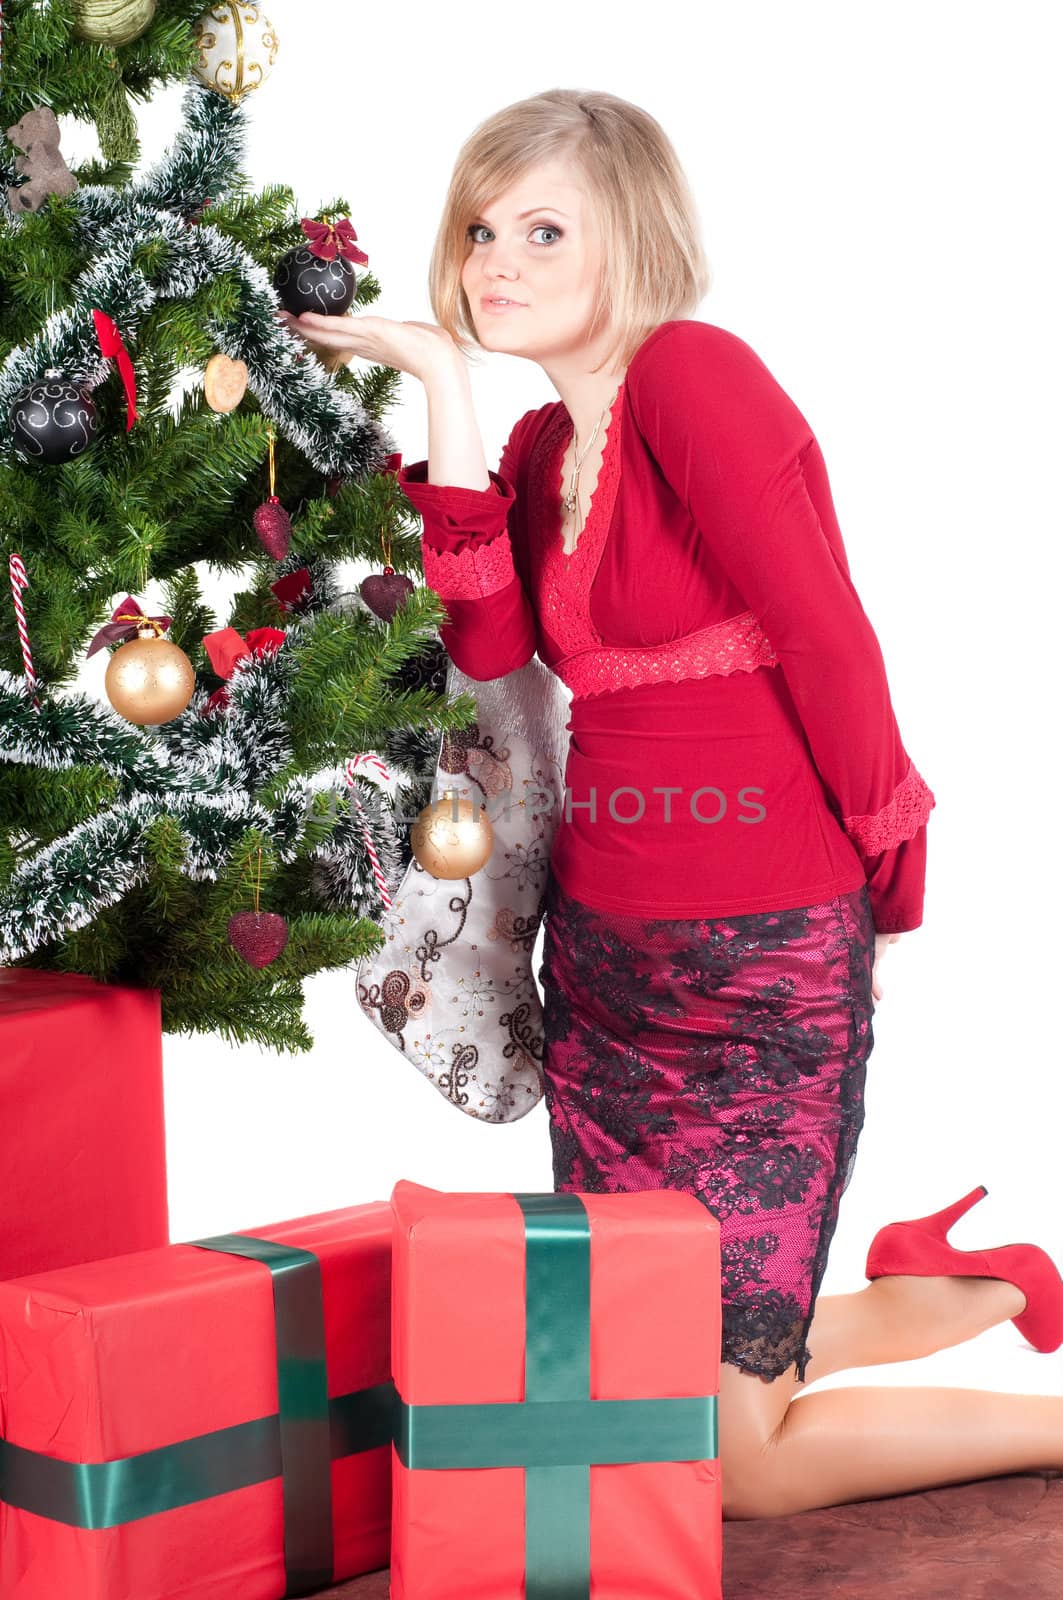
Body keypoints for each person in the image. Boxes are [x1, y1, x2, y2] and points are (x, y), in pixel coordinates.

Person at [283, 88, 1063, 1520]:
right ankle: (973, 1291)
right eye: (477, 230)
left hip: (762, 963)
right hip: (605, 981)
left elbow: (831, 634)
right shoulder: (528, 452)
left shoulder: (696, 377)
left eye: (540, 229)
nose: (491, 262)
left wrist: (892, 866)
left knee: (740, 1469)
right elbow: (489, 656)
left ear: (629, 240)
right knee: (645, 1376)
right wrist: (443, 386)